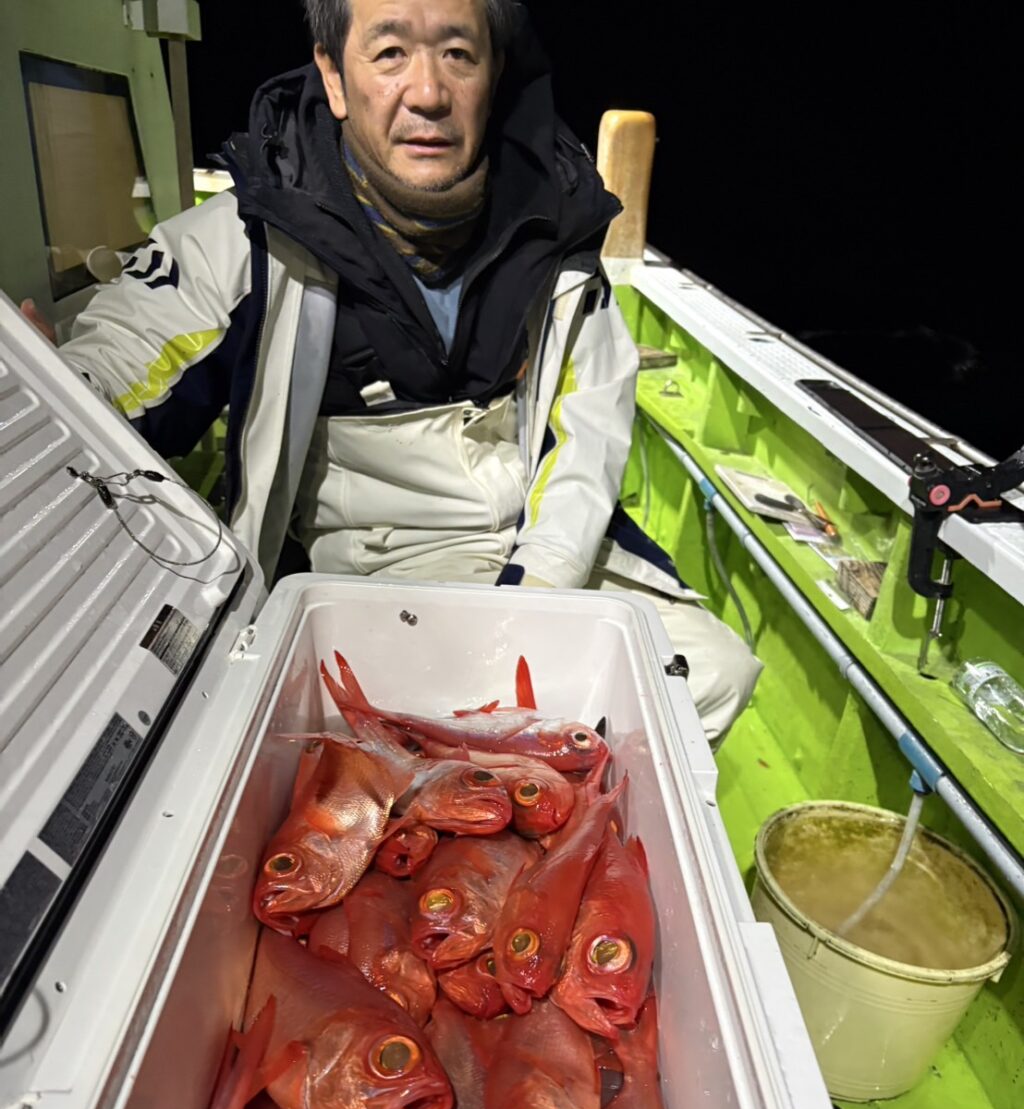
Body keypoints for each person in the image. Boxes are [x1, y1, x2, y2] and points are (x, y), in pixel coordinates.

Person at [23, 0, 760, 742]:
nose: (428, 92)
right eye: (390, 54)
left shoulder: (559, 226)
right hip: (368, 569)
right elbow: (123, 357)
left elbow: (585, 441)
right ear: (333, 77)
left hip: (531, 544)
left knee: (715, 675)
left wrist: (532, 603)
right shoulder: (248, 237)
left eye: (458, 54)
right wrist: (45, 383)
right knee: (388, 723)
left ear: (495, 72)